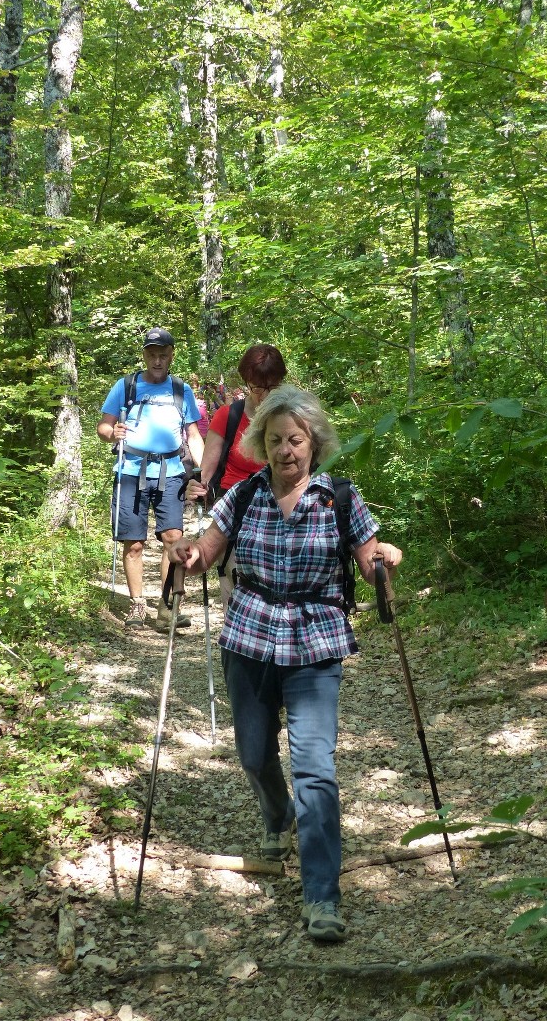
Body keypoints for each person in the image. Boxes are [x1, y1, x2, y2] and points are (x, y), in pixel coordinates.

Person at [170, 385, 403, 943]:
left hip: (317, 641)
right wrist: (191, 555)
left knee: (316, 769)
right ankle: (279, 816)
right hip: (249, 635)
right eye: (275, 441)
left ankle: (322, 896)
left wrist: (385, 563)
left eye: (295, 440)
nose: (285, 451)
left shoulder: (339, 498)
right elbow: (209, 549)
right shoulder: (245, 495)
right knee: (252, 754)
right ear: (262, 444)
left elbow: (370, 564)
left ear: (313, 442)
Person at [97, 328, 205, 630]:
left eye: (163, 354)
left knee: (174, 539)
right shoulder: (126, 386)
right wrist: (112, 433)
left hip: (171, 474)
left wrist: (205, 472)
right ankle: (137, 604)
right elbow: (103, 427)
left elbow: (193, 436)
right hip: (130, 471)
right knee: (133, 544)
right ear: (144, 355)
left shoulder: (181, 390)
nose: (157, 360)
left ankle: (168, 606)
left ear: (171, 355)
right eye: (152, 354)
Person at [186, 344, 287, 606]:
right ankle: (236, 640)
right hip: (235, 510)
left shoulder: (293, 418)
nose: (264, 396)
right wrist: (197, 486)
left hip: (282, 510)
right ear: (246, 384)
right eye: (257, 388)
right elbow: (206, 469)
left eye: (272, 388)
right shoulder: (228, 416)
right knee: (237, 583)